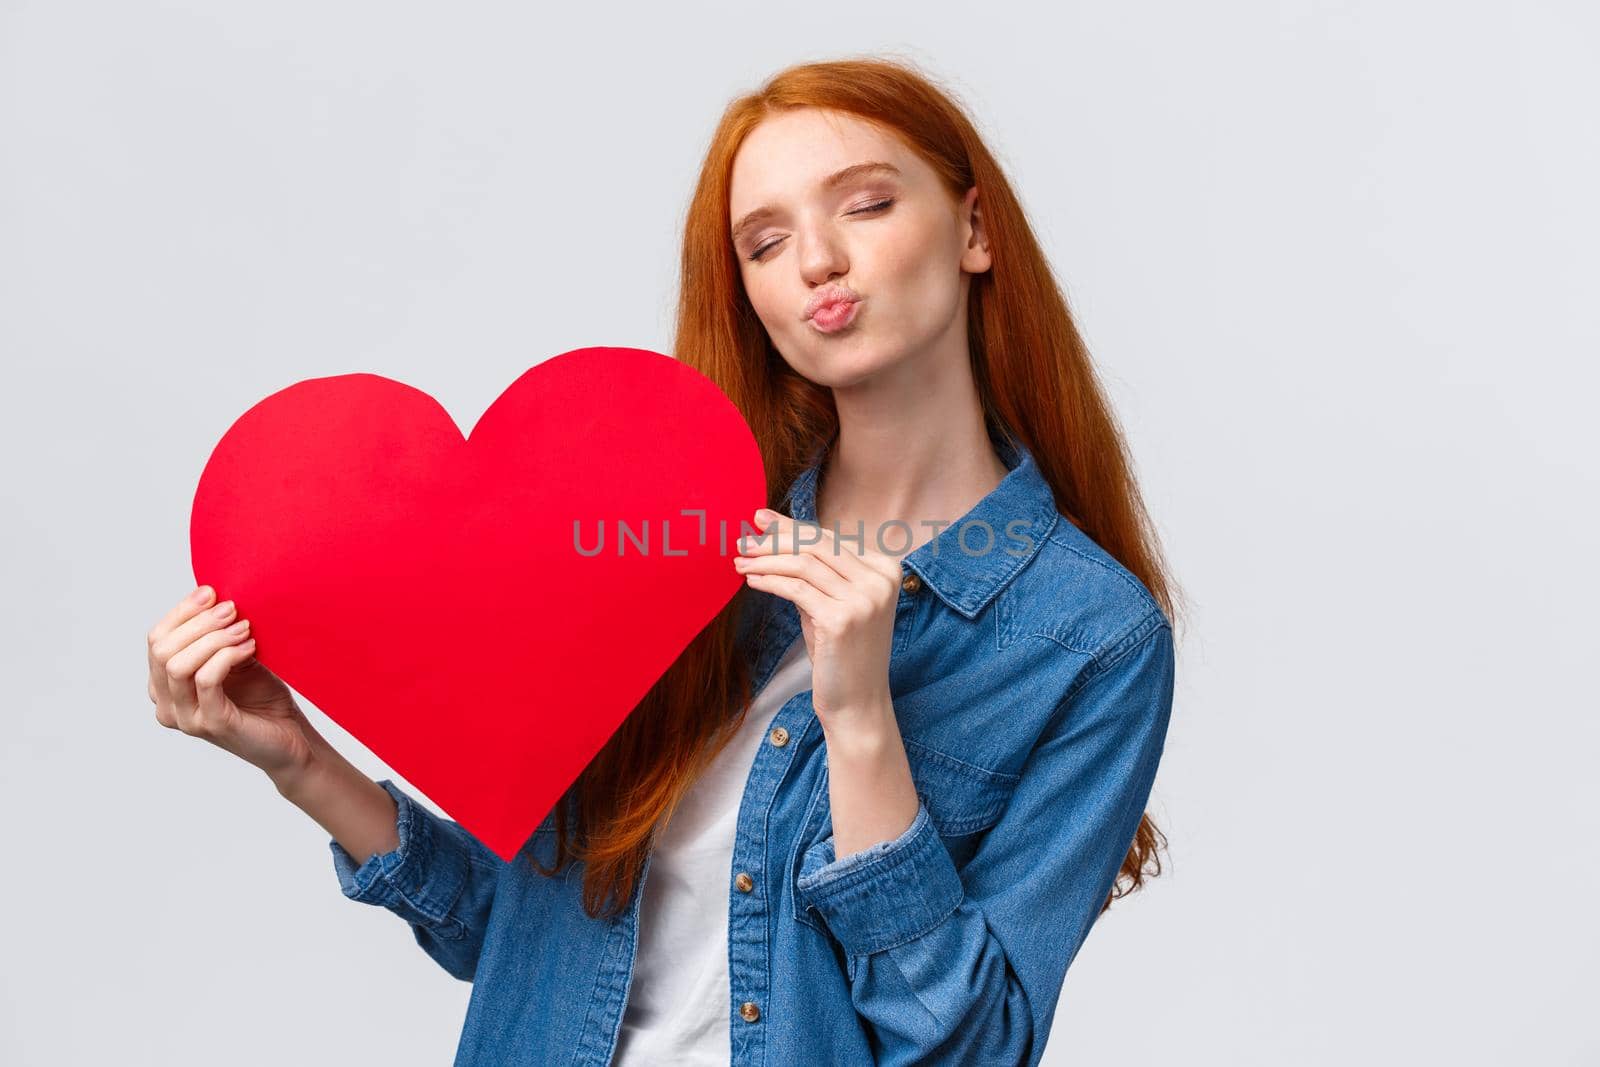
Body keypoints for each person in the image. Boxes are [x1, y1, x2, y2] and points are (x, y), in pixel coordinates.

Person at [145, 56, 1182, 1067]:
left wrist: (862, 721)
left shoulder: (1088, 635)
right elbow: (520, 938)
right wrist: (299, 759)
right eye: (766, 242)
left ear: (973, 228)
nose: (817, 259)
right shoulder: (669, 546)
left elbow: (972, 1042)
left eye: (863, 205)